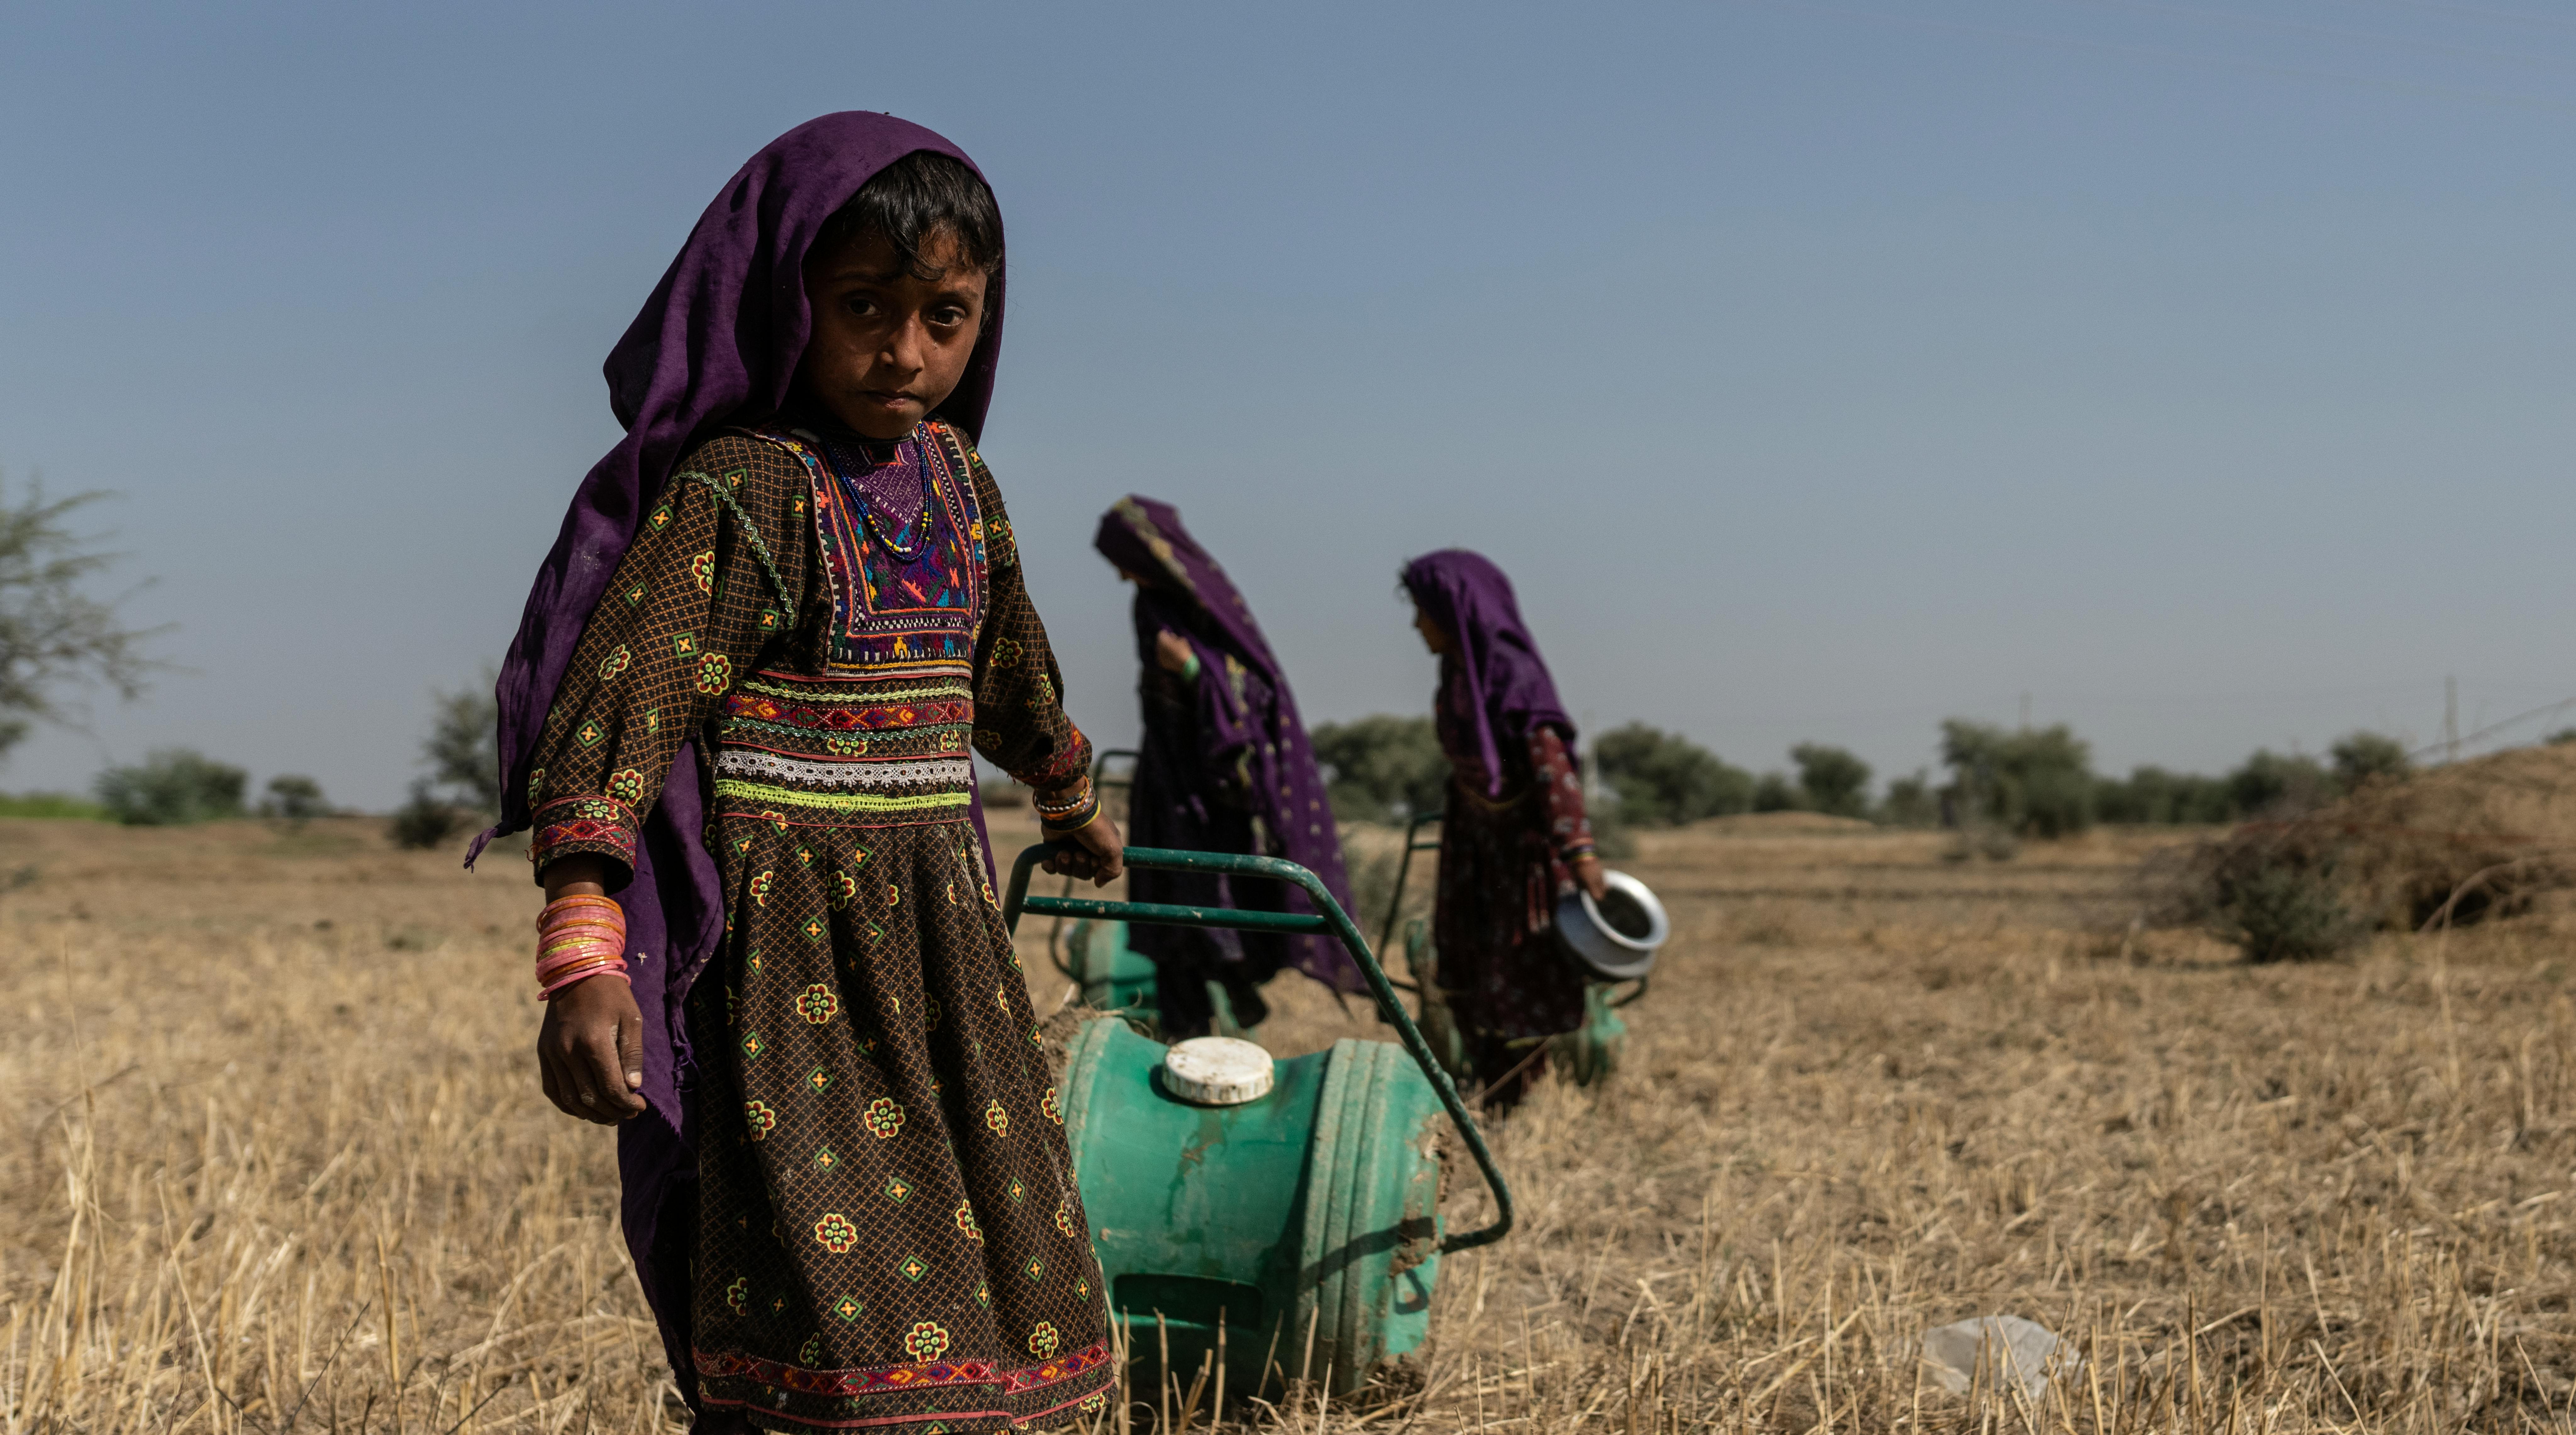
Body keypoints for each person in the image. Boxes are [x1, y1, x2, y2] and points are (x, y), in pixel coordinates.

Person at [478, 115, 1119, 1432]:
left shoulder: (962, 488)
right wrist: (583, 950)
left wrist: (1069, 802)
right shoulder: (743, 490)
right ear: (790, 301)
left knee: (1010, 1284)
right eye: (864, 306)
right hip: (794, 969)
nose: (905, 351)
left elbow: (1012, 673)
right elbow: (620, 717)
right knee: (833, 1313)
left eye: (944, 315)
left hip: (948, 953)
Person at [1092, 497, 1364, 1036]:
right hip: (1164, 784)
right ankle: (1183, 1030)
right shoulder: (1147, 604)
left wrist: (1192, 668)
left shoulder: (1206, 604)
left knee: (1214, 899)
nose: (1122, 576)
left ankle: (1234, 985)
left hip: (1211, 791)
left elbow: (1256, 689)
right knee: (1164, 909)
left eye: (1123, 560)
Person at [1400, 550, 1607, 1107]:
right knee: (1466, 966)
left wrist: (1580, 850)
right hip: (1473, 847)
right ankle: (1485, 1089)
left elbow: (1551, 766)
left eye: (1423, 610)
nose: (1417, 624)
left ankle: (1514, 1099)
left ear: (1452, 611)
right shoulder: (1456, 676)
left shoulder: (1514, 679)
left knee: (1518, 973)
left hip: (1522, 855)